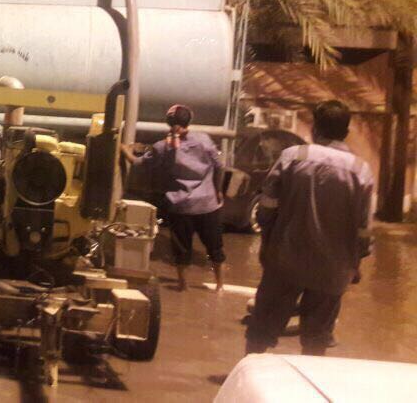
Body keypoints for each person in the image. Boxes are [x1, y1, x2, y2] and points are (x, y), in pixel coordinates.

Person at [245, 100, 374, 356]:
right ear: (346, 132)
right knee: (316, 340)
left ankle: (246, 375)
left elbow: (266, 209)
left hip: (285, 261)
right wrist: (355, 264)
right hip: (333, 270)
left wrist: (268, 244)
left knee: (261, 331)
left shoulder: (293, 156)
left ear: (315, 128)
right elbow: (363, 230)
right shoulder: (361, 171)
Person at [122, 104, 225, 291]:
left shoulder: (163, 147)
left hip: (180, 206)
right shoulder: (203, 140)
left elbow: (138, 163)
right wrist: (218, 190)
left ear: (168, 122)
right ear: (189, 120)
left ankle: (182, 285)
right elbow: (219, 166)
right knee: (215, 247)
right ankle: (219, 285)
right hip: (207, 204)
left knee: (182, 248)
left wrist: (124, 149)